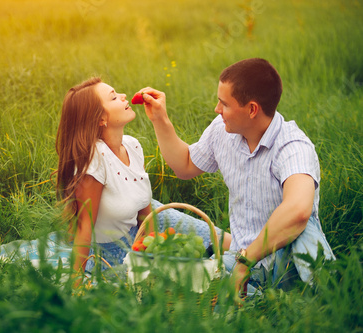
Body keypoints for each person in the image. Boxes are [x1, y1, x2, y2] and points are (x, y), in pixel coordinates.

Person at [137, 58, 335, 295]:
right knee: (184, 283)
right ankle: (255, 298)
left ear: (252, 109)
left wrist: (245, 262)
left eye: (224, 104)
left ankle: (318, 296)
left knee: (302, 227)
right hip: (241, 257)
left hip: (286, 262)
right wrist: (160, 119)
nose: (217, 110)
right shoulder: (222, 131)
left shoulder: (293, 146)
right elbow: (186, 165)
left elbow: (299, 209)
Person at [55, 77, 229, 282]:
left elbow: (144, 211)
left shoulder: (132, 145)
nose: (123, 96)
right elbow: (84, 228)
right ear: (101, 118)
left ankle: (261, 255)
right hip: (111, 252)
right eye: (114, 97)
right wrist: (76, 283)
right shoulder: (95, 160)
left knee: (220, 240)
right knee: (199, 275)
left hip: (142, 226)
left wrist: (159, 247)